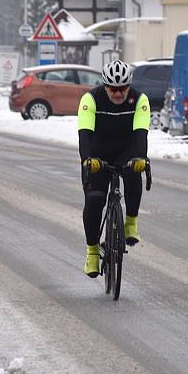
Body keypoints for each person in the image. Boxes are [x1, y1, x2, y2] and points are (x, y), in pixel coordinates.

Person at [77, 59, 150, 278]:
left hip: (126, 149)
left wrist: (140, 157)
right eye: (112, 88)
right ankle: (91, 252)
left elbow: (141, 132)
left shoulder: (139, 100)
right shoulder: (90, 99)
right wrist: (88, 158)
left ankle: (131, 222)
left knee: (134, 171)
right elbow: (84, 133)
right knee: (95, 200)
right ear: (104, 84)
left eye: (122, 89)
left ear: (129, 85)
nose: (117, 94)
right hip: (97, 152)